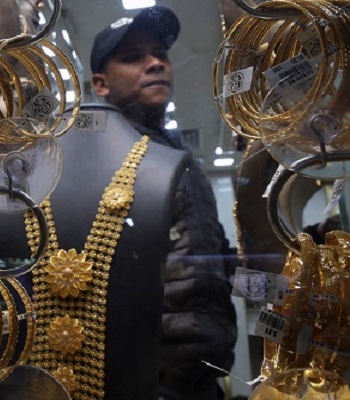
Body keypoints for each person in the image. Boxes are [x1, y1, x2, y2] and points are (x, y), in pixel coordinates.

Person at [89, 7, 238, 400]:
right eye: (133, 57)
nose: (155, 63)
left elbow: (212, 259)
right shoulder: (98, 157)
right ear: (101, 84)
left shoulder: (181, 160)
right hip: (138, 381)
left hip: (204, 378)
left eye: (161, 54)